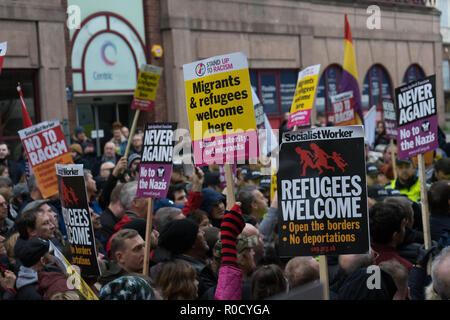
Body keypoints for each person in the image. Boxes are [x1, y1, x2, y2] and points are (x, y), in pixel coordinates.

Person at [155, 218, 216, 299]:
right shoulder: (189, 274)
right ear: (192, 242)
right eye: (198, 231)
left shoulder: (203, 263)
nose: (203, 233)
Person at [369, 202, 413, 273]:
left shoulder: (357, 262)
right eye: (403, 226)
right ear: (395, 235)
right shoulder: (405, 268)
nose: (405, 230)